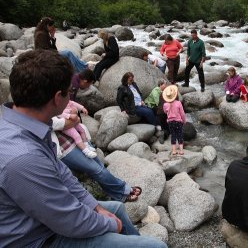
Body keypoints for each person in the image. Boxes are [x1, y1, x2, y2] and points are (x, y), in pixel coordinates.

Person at [0, 49, 166, 248]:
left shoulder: (24, 124)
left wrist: (93, 205)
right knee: (156, 246)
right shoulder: (23, 157)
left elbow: (62, 174)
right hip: (37, 238)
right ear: (56, 98)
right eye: (69, 92)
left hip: (41, 218)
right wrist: (110, 224)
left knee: (117, 209)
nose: (72, 96)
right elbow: (69, 221)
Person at [52, 116, 142, 203]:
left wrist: (72, 119)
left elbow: (75, 117)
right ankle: (123, 190)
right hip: (64, 149)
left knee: (100, 168)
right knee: (97, 170)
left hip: (79, 139)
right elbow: (56, 123)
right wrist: (72, 120)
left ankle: (117, 195)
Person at [163, 85, 186, 156]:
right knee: (180, 135)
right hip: (178, 122)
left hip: (170, 122)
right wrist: (184, 121)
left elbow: (165, 112)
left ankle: (174, 150)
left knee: (173, 135)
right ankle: (181, 150)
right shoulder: (178, 103)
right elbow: (182, 113)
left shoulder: (165, 104)